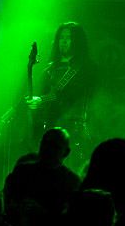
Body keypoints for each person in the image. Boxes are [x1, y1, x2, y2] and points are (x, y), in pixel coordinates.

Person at [28, 21, 96, 172]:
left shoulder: (85, 68)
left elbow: (68, 95)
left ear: (77, 41)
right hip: (50, 127)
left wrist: (41, 100)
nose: (64, 41)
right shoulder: (50, 69)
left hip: (75, 127)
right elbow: (43, 93)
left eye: (68, 38)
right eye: (61, 37)